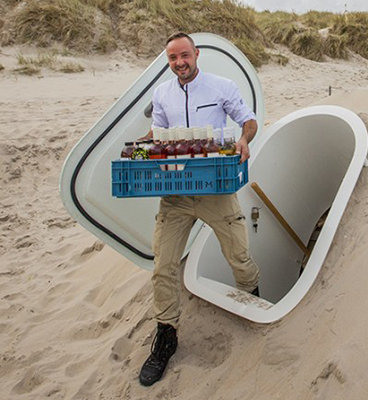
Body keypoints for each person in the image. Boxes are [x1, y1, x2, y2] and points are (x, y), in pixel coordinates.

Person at [138, 32, 260, 387]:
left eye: (185, 56)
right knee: (163, 264)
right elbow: (158, 132)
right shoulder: (162, 93)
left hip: (216, 187)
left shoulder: (221, 86)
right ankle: (166, 336)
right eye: (173, 58)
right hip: (175, 191)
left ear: (197, 54)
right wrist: (141, 146)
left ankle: (253, 301)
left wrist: (243, 138)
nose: (180, 63)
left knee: (238, 254)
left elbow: (248, 119)